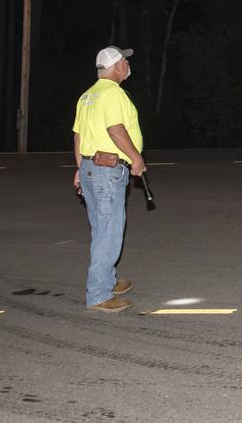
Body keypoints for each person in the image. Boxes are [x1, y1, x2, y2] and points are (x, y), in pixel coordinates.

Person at [72, 46, 147, 312]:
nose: (128, 64)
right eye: (125, 61)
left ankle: (108, 280)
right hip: (108, 171)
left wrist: (80, 169)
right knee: (109, 233)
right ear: (116, 66)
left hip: (92, 168)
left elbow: (79, 136)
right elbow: (115, 130)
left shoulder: (87, 96)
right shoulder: (113, 93)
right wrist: (136, 157)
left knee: (101, 228)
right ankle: (99, 294)